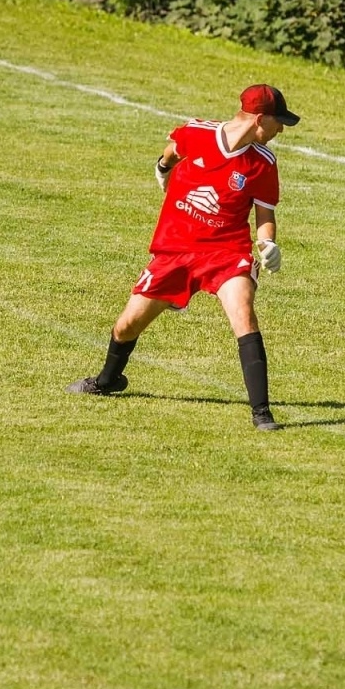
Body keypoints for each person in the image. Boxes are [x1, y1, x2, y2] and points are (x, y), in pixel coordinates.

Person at [67, 84, 300, 430]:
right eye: (278, 122)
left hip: (226, 251)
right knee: (126, 325)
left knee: (244, 314)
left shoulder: (263, 163)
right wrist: (162, 169)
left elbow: (265, 217)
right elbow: (174, 150)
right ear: (259, 118)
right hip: (176, 248)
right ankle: (106, 381)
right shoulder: (197, 132)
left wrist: (268, 244)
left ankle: (261, 413)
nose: (281, 130)